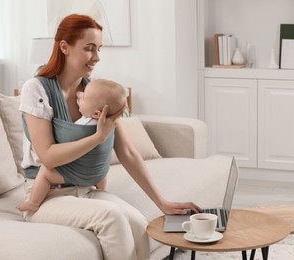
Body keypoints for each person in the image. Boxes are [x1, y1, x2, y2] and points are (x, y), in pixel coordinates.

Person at [19, 13, 201, 260]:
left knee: (138, 222)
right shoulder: (36, 88)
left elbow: (126, 151)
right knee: (111, 217)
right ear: (64, 47)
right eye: (89, 48)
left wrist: (162, 202)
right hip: (46, 194)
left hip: (83, 187)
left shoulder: (93, 91)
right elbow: (48, 157)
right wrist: (96, 138)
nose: (97, 57)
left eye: (99, 48)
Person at [16, 78, 127, 212]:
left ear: (97, 113)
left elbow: (57, 153)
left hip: (75, 175)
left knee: (45, 171)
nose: (78, 95)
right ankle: (101, 190)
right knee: (101, 163)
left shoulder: (82, 125)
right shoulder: (109, 124)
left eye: (83, 97)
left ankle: (33, 203)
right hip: (97, 175)